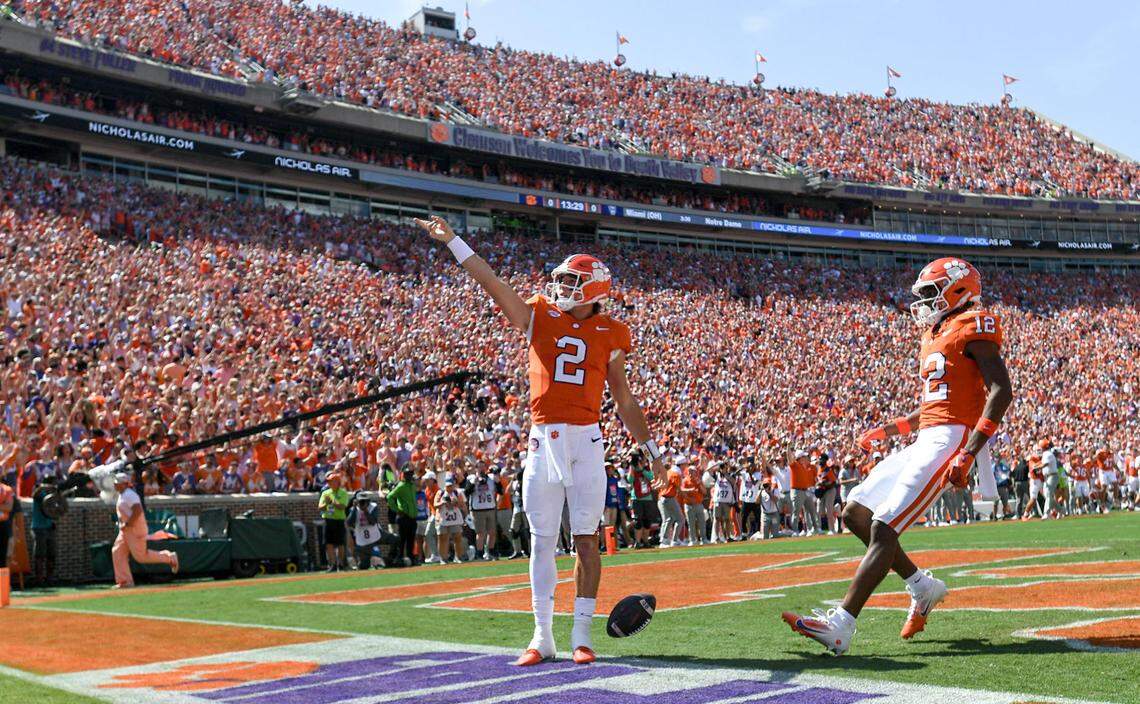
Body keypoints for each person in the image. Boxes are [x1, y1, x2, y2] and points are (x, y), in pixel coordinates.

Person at [415, 215, 662, 666]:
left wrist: (651, 450)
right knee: (542, 537)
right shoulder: (538, 313)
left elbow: (623, 399)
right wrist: (453, 240)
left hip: (587, 439)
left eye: (572, 280)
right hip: (541, 439)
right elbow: (491, 282)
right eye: (563, 279)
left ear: (594, 289)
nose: (562, 286)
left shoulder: (613, 332)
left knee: (587, 538)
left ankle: (581, 637)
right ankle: (541, 636)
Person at [784, 257, 1012, 655]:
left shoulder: (975, 324)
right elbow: (933, 406)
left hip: (953, 439)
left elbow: (1000, 392)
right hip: (929, 436)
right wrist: (890, 429)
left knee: (885, 527)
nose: (924, 301)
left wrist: (969, 452)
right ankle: (922, 587)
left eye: (930, 292)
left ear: (958, 289)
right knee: (854, 511)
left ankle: (841, 625)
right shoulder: (937, 331)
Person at [111, 472, 178, 588]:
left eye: (117, 483)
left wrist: (127, 523)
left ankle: (169, 557)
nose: (115, 485)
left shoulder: (129, 495)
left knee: (141, 556)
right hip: (126, 530)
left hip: (135, 529)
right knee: (117, 552)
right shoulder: (123, 494)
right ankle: (125, 581)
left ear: (124, 484)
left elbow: (137, 510)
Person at [466, 462, 500, 560]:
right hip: (477, 509)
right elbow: (467, 492)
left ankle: (490, 551)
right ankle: (479, 553)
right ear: (476, 469)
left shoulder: (491, 478)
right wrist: (474, 483)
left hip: (490, 507)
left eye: (483, 467)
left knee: (492, 532)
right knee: (480, 533)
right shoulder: (471, 478)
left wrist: (498, 480)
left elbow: (500, 490)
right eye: (479, 467)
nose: (481, 469)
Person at [386, 469, 420, 565]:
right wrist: (397, 510)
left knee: (411, 540)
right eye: (408, 474)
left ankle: (411, 559)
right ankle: (399, 559)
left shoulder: (412, 486)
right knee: (402, 540)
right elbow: (389, 497)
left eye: (410, 474)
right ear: (404, 476)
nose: (410, 476)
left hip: (412, 518)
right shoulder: (401, 486)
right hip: (404, 517)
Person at [318, 471, 350, 572]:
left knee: (340, 543)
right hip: (328, 520)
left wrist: (332, 502)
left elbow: (342, 506)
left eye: (332, 481)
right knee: (329, 543)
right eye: (329, 482)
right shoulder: (325, 493)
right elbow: (320, 508)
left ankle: (341, 564)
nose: (329, 483)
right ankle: (332, 564)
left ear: (337, 482)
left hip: (339, 521)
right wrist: (326, 504)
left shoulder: (343, 493)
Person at [434, 474, 467, 563]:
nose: (449, 487)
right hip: (442, 519)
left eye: (450, 485)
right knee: (442, 538)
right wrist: (443, 502)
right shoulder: (440, 493)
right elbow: (435, 505)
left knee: (457, 537)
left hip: (455, 518)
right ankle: (443, 558)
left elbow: (463, 505)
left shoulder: (458, 493)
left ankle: (458, 557)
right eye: (447, 486)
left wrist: (456, 503)